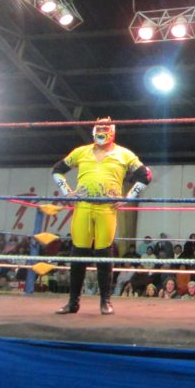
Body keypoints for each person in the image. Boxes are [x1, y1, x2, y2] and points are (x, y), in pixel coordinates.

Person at [51, 117, 151, 315]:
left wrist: (129, 197)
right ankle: (73, 302)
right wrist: (67, 192)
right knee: (78, 254)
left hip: (106, 208)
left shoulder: (124, 154)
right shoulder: (81, 152)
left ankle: (105, 301)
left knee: (104, 254)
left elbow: (146, 175)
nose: (101, 131)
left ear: (112, 131)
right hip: (83, 207)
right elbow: (57, 170)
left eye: (104, 128)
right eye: (98, 128)